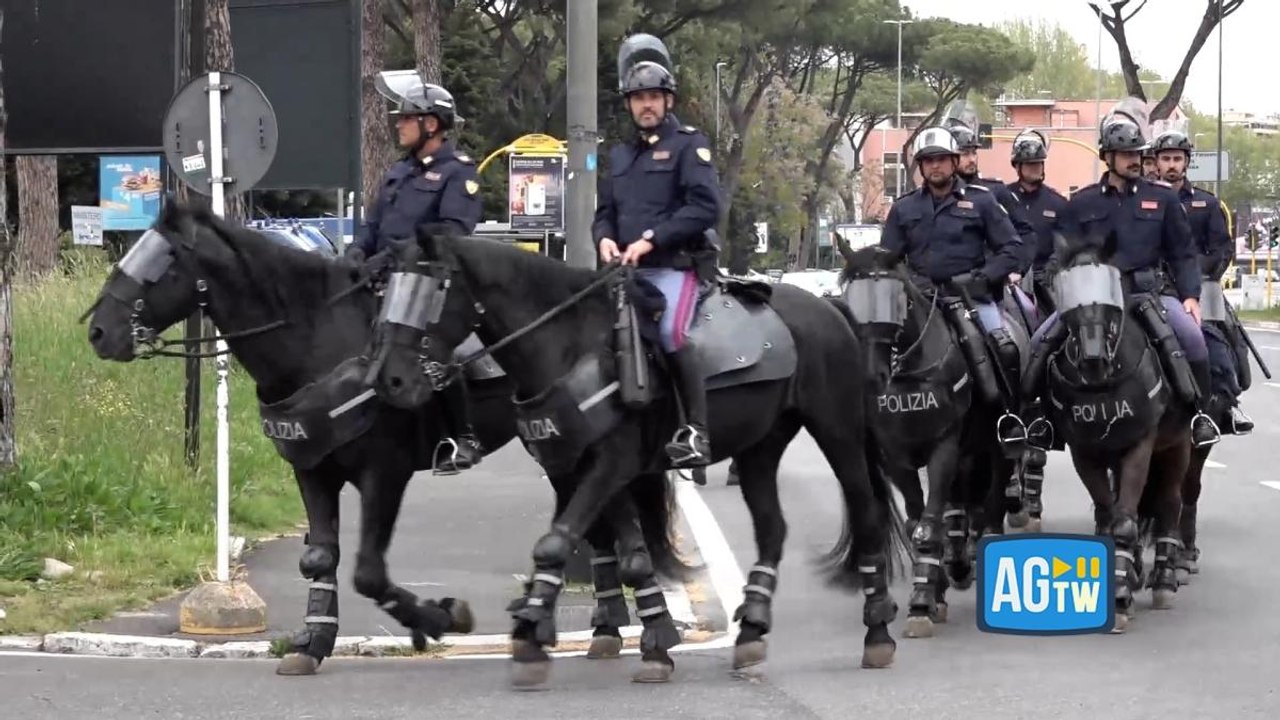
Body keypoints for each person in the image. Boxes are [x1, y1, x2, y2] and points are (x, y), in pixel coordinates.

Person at [1026, 114, 1220, 448]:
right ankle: (1039, 419)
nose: (1136, 160)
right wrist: (1061, 285)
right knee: (1039, 343)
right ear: (1108, 157)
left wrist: (1190, 296)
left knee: (1191, 338)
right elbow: (1062, 255)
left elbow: (1183, 253)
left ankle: (1199, 415)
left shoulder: (1163, 199)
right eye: (1128, 155)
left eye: (1139, 154)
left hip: (1148, 292)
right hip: (1093, 297)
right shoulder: (1082, 202)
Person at [592, 34, 723, 468]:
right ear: (629, 105)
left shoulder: (690, 144)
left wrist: (652, 238)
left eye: (654, 97)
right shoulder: (619, 155)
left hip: (675, 267)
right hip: (622, 272)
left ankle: (696, 432)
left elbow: (705, 207)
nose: (646, 105)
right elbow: (604, 213)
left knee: (670, 334)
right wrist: (603, 238)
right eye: (638, 98)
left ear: (668, 101)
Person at [353, 71, 485, 473]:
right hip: (379, 280)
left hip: (428, 283)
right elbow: (373, 224)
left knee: (433, 351)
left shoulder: (458, 173)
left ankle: (463, 436)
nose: (399, 124)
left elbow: (450, 234)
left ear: (432, 124)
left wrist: (392, 260)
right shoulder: (398, 172)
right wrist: (357, 254)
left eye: (406, 118)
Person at [879, 126, 1028, 447]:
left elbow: (1011, 249)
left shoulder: (982, 202)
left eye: (942, 160)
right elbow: (887, 259)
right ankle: (874, 422)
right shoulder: (903, 208)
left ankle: (1010, 420)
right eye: (929, 161)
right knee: (874, 346)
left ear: (954, 162)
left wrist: (982, 278)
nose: (936, 166)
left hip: (970, 299)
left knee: (1005, 348)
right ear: (920, 166)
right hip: (918, 301)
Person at [1151, 129, 1253, 433]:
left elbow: (1222, 249)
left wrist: (1195, 274)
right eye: (1166, 158)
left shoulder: (1207, 205)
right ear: (1155, 162)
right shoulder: (1144, 200)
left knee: (1214, 333)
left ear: (1186, 163)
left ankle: (1226, 402)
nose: (1171, 165)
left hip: (1199, 284)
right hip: (1153, 283)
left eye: (1177, 159)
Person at [948, 121, 1039, 279]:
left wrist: (1017, 269)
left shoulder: (994, 191)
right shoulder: (934, 196)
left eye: (974, 153)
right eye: (964, 153)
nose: (971, 159)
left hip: (989, 283)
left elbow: (1025, 233)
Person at [1005, 129, 1069, 315]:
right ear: (1017, 167)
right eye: (1030, 164)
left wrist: (1053, 266)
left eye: (1039, 163)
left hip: (1046, 277)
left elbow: (1066, 243)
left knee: (1063, 321)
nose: (1036, 168)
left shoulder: (1057, 202)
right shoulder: (1002, 197)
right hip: (1009, 277)